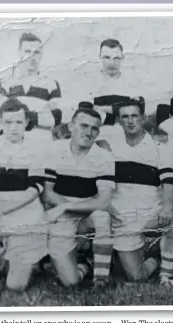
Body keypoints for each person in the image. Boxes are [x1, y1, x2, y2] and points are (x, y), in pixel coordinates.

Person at [102, 97, 173, 286]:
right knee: (137, 278)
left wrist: (167, 207)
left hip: (150, 215)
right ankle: (154, 258)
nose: (130, 121)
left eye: (134, 116)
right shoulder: (111, 147)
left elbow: (168, 184)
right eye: (125, 117)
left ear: (143, 118)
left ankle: (166, 276)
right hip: (122, 218)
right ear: (119, 120)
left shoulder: (159, 148)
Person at [41, 108, 115, 288]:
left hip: (85, 215)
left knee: (102, 217)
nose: (89, 133)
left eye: (94, 129)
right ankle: (85, 264)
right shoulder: (54, 150)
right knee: (71, 282)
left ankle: (100, 279)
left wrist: (67, 206)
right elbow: (48, 193)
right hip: (61, 217)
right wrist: (66, 209)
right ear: (71, 126)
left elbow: (104, 201)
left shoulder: (104, 156)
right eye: (83, 125)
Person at [0, 98, 49, 291]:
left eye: (18, 122)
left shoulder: (35, 148)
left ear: (27, 122)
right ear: (0, 122)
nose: (13, 128)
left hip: (25, 211)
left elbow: (34, 190)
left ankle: (21, 256)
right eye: (8, 122)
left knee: (16, 286)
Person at [0, 32, 64, 142]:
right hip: (11, 144)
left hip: (41, 142)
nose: (32, 57)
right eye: (27, 51)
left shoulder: (51, 84)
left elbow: (56, 118)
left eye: (36, 52)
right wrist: (39, 114)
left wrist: (18, 115)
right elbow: (0, 117)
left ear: (41, 54)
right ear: (19, 53)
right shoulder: (4, 83)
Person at [77, 39, 138, 143]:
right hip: (96, 141)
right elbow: (85, 115)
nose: (111, 63)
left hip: (128, 141)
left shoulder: (132, 83)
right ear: (99, 57)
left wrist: (103, 109)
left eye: (116, 58)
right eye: (106, 57)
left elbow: (138, 112)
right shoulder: (89, 83)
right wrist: (119, 113)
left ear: (123, 58)